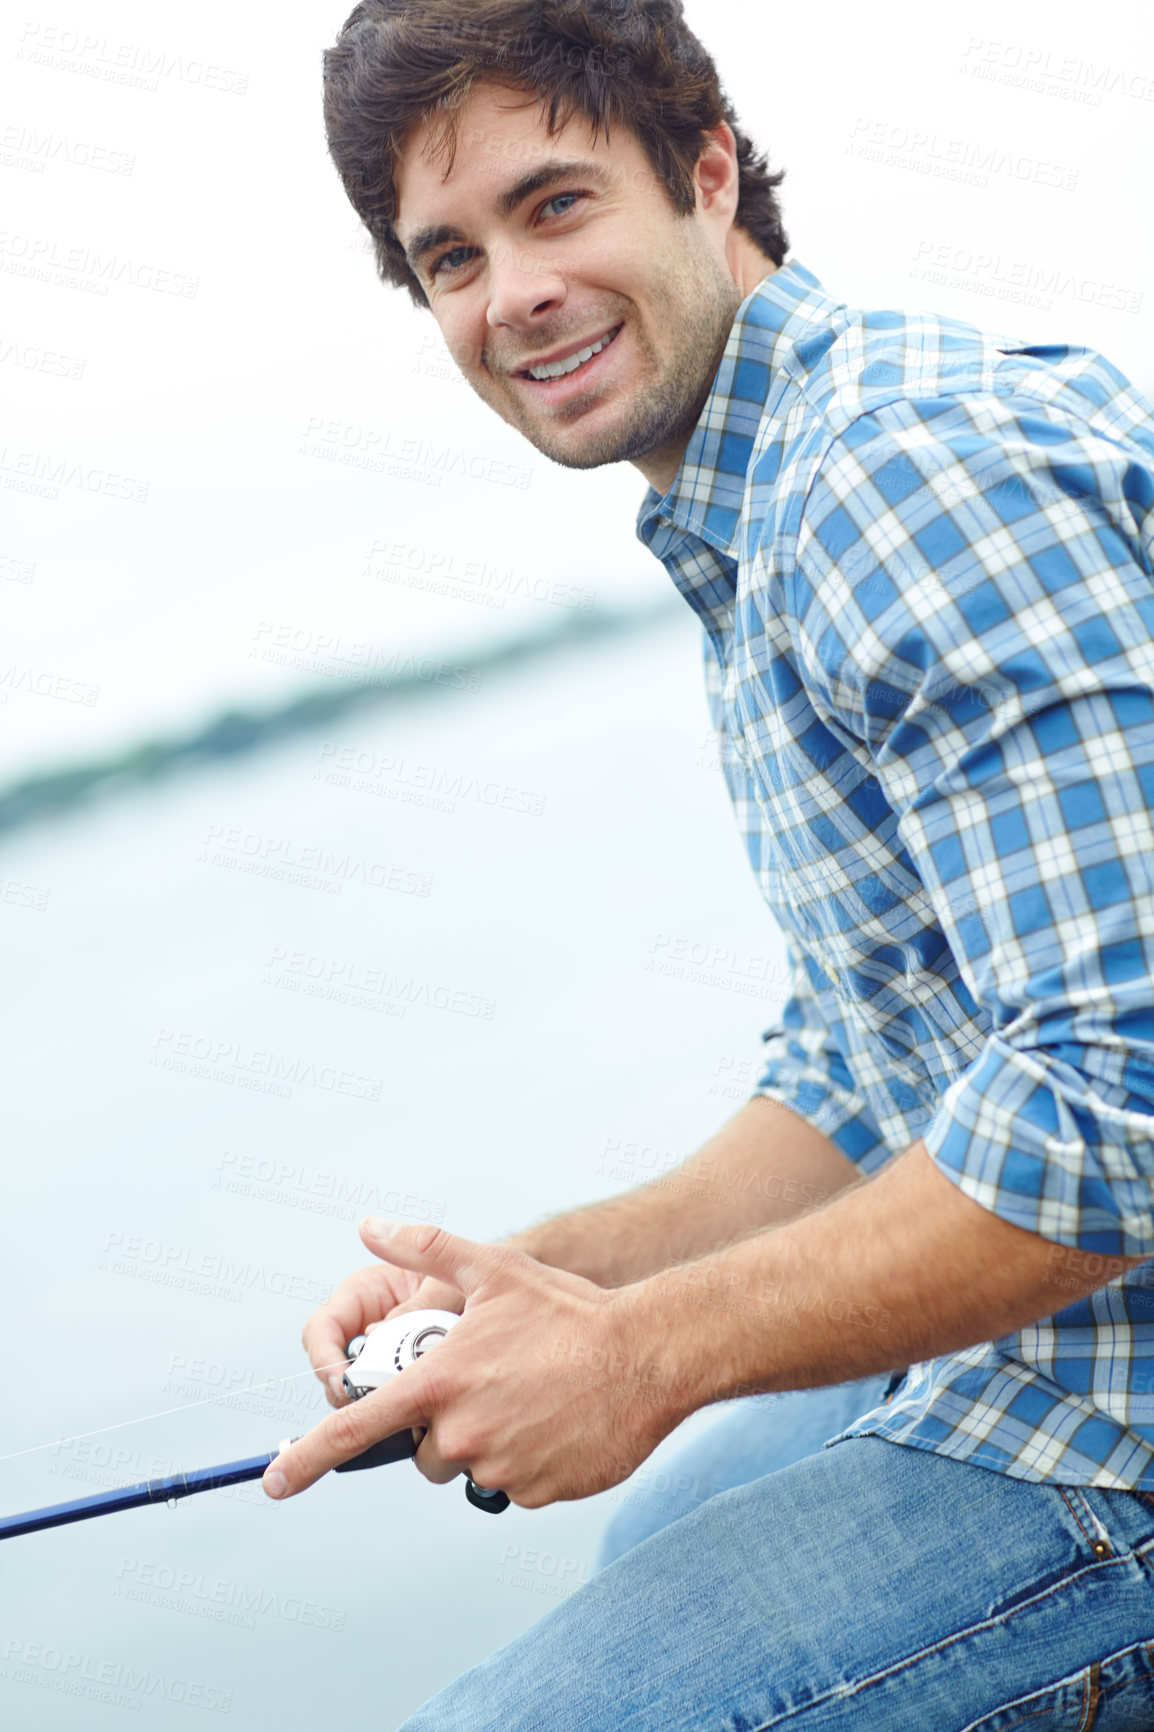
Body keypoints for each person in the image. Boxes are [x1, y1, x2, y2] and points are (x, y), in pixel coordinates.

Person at [263, 2, 1154, 1723]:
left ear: (706, 170)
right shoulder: (760, 504)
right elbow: (863, 1059)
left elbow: (1120, 1097)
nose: (509, 293)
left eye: (553, 204)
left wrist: (645, 1356)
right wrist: (547, 1284)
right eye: (446, 255)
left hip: (1117, 1422)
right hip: (1055, 1352)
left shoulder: (895, 482)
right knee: (666, 1521)